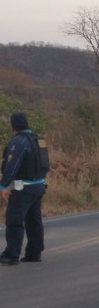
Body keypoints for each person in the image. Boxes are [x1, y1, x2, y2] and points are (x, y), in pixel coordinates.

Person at [0, 112, 48, 265]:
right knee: (34, 220)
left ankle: (11, 255)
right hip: (39, 185)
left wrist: (3, 185)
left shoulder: (19, 141)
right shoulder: (38, 140)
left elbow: (12, 166)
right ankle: (34, 252)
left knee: (14, 219)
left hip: (23, 188)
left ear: (13, 125)